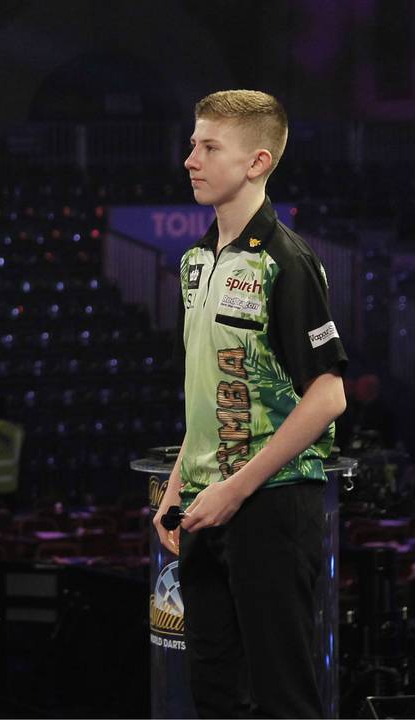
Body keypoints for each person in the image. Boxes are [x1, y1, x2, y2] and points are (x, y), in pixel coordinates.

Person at [153, 90, 348, 718]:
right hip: (207, 511)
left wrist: (235, 489)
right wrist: (180, 482)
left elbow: (328, 395)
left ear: (257, 162)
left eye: (209, 147)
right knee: (214, 695)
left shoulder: (288, 263)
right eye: (192, 144)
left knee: (283, 698)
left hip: (270, 505)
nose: (191, 159)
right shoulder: (193, 263)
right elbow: (208, 392)